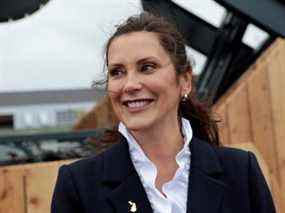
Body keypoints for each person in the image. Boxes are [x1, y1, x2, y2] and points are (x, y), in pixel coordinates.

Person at [51, 12, 276, 213]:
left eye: (147, 67)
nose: (129, 85)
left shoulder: (240, 172)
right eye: (117, 72)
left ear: (185, 81)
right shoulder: (78, 185)